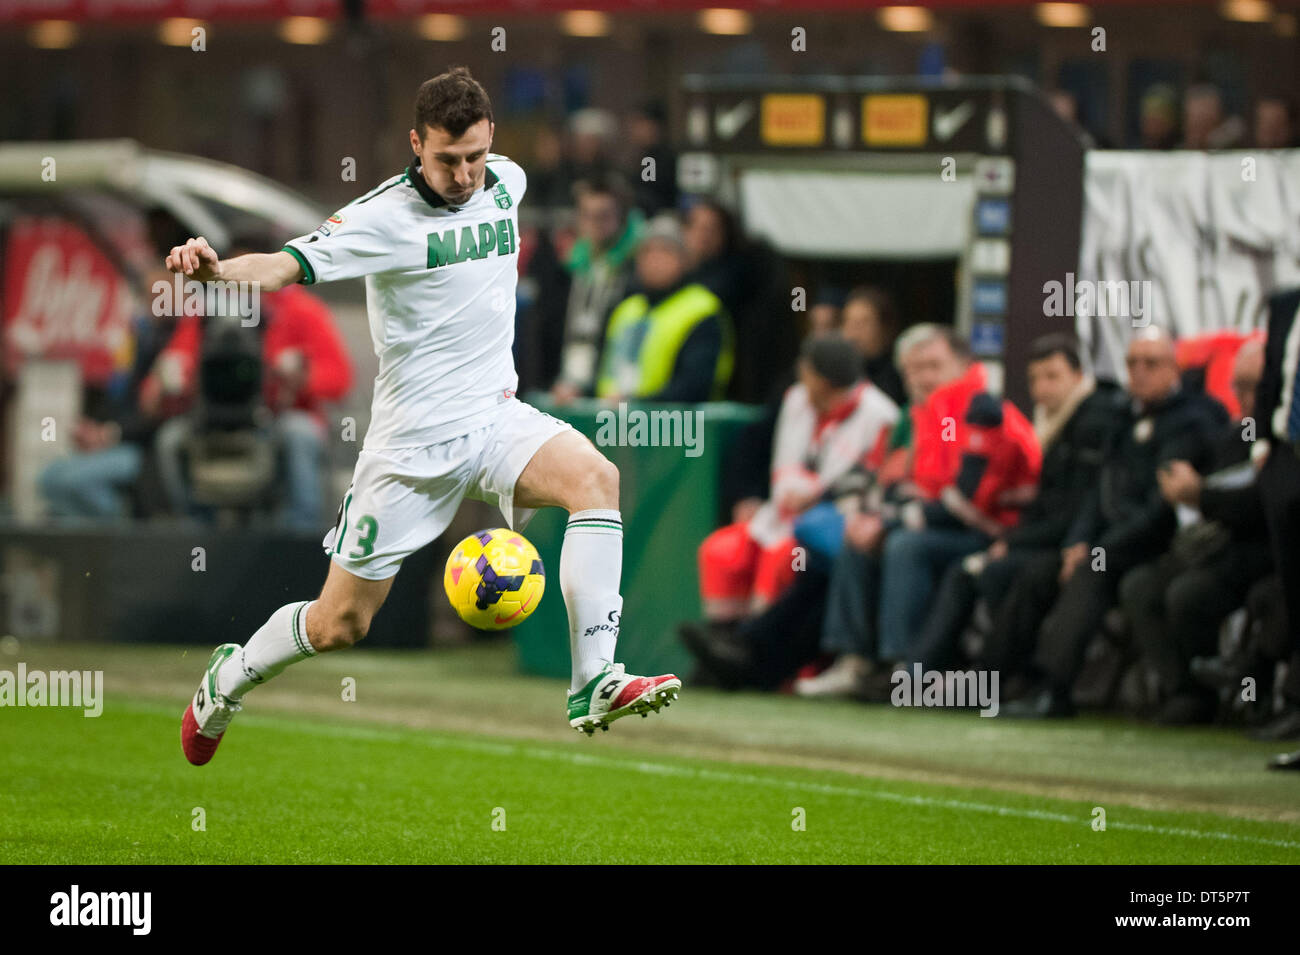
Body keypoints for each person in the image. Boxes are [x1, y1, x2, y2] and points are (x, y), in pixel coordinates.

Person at [171, 67, 680, 766]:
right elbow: (284, 265)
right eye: (447, 159)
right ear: (416, 144)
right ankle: (228, 678)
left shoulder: (509, 180)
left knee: (597, 479)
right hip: (409, 450)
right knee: (339, 623)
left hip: (497, 419)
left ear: (491, 141)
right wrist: (215, 274)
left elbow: (494, 184)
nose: (465, 174)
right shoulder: (380, 219)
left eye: (474, 156)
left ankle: (593, 678)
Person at [798, 326, 1041, 698]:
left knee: (904, 545)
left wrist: (894, 520)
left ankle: (905, 667)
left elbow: (967, 501)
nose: (923, 377)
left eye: (933, 366)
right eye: (913, 369)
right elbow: (906, 482)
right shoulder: (924, 416)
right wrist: (873, 516)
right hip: (947, 524)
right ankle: (856, 661)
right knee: (859, 537)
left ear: (962, 364)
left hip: (997, 532)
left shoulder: (983, 411)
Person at [1002, 327, 1226, 718]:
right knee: (1038, 572)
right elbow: (1097, 492)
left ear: (1175, 368)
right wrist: (1078, 540)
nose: (1138, 372)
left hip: (1163, 543)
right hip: (1110, 541)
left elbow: (1160, 509)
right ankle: (1003, 678)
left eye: (1151, 363)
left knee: (1093, 571)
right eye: (1132, 363)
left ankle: (1055, 690)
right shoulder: (1120, 415)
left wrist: (1098, 549)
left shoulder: (1194, 419)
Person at [909, 333, 1114, 672]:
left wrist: (1011, 539)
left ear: (1078, 376)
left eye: (1053, 376)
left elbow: (1076, 507)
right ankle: (916, 669)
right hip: (1029, 533)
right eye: (1035, 379)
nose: (1042, 388)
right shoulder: (1048, 422)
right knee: (956, 566)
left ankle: (992, 676)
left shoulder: (1090, 422)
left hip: (1055, 540)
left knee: (986, 569)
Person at [149, 230, 355, 531]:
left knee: (301, 435)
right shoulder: (207, 315)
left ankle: (298, 540)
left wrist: (299, 377)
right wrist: (169, 377)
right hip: (213, 422)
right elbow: (167, 373)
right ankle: (197, 538)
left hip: (276, 421)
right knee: (170, 440)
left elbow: (340, 379)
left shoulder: (304, 312)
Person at [690, 336, 897, 626]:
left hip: (834, 518)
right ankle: (722, 637)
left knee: (782, 557)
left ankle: (755, 649)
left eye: (806, 368)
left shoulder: (881, 415)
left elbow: (867, 485)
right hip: (779, 512)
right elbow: (770, 455)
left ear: (823, 379)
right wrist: (752, 497)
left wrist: (814, 497)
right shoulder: (796, 398)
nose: (800, 371)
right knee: (721, 550)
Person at [1119, 339, 1272, 724]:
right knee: (1140, 585)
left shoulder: (1283, 436)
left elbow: (1260, 505)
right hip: (1217, 545)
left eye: (1253, 385)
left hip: (1264, 549)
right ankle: (1187, 691)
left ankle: (1242, 690)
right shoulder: (1236, 432)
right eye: (1238, 386)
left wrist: (1200, 495)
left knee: (1189, 594)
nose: (1244, 396)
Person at [594, 213, 733, 402]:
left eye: (665, 251)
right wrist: (579, 391)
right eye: (647, 252)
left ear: (684, 259)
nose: (654, 260)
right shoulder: (627, 309)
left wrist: (636, 403)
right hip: (612, 424)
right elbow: (606, 376)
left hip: (675, 427)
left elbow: (695, 386)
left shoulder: (701, 309)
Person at [546, 172, 645, 402]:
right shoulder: (569, 267)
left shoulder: (636, 269)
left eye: (603, 215)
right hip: (565, 389)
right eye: (587, 215)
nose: (594, 224)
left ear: (622, 217)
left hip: (614, 393)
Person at [839, 285, 905, 406]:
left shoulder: (900, 375)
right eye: (848, 322)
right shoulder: (837, 371)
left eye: (863, 323)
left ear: (885, 328)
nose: (853, 333)